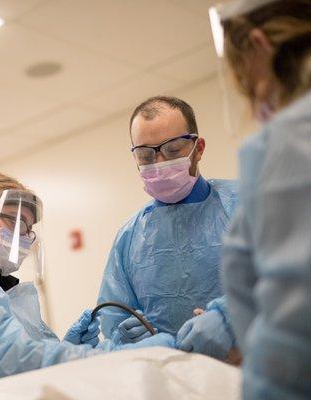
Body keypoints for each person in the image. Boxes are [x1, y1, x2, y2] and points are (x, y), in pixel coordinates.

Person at [0, 172, 174, 399]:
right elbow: (18, 362)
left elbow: (17, 363)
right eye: (14, 220)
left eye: (27, 227)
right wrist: (115, 356)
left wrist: (71, 347)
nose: (24, 235)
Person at [212, 0, 311, 398]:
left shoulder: (292, 139)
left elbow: (296, 325)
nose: (255, 100)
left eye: (248, 83)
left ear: (257, 45)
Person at [96, 96, 239, 360]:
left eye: (173, 150)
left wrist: (231, 317)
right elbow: (113, 322)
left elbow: (293, 278)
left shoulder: (245, 205)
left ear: (199, 148)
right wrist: (123, 338)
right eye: (146, 155)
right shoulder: (129, 238)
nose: (160, 163)